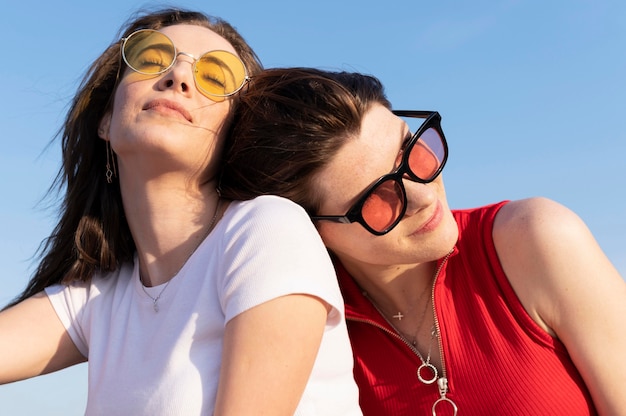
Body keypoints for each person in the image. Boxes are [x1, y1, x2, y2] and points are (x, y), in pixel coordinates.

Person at [0, 12, 362, 416]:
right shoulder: (100, 297)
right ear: (106, 120)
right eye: (151, 59)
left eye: (216, 76)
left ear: (235, 131)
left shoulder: (267, 230)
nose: (178, 77)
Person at [218, 67, 626, 415]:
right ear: (313, 228)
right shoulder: (311, 326)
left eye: (413, 152)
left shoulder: (534, 239)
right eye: (377, 197)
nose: (424, 194)